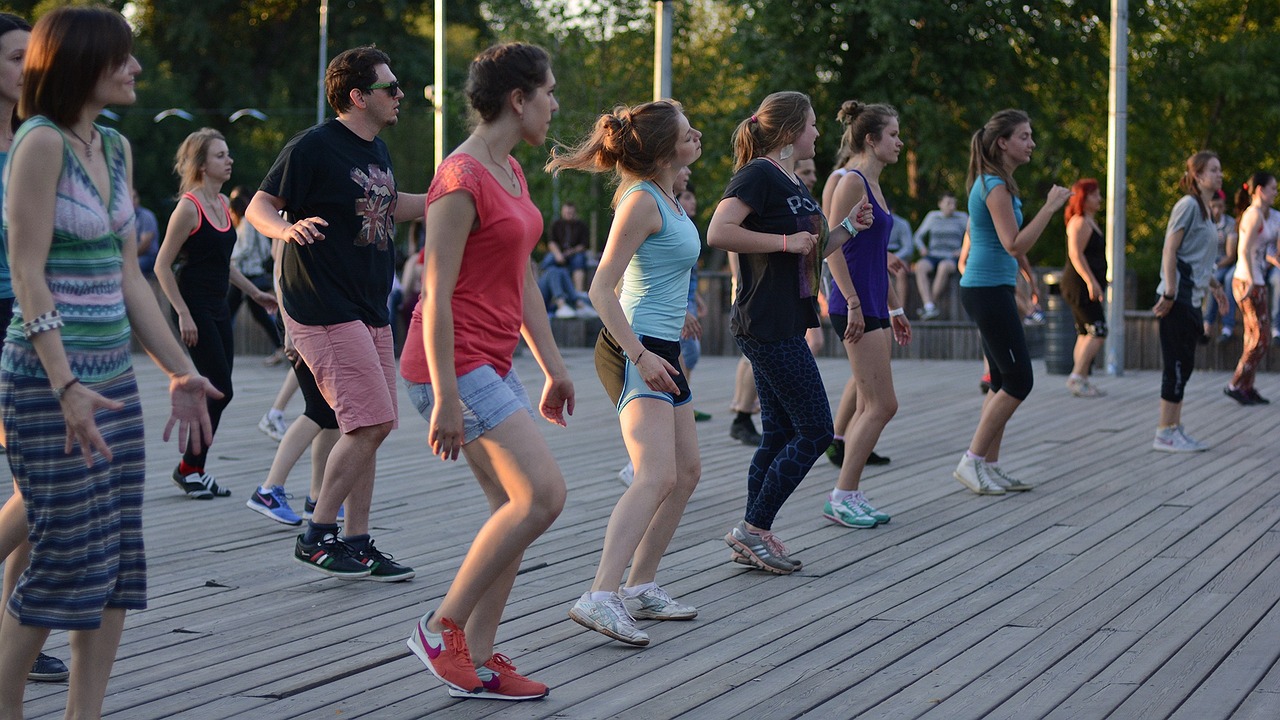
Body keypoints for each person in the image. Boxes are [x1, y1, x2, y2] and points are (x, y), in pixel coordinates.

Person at [0, 8, 220, 717]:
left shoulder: (117, 149)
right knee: (63, 560)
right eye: (121, 58)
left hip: (113, 382)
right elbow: (27, 273)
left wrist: (177, 369)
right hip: (45, 382)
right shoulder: (38, 144)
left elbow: (130, 277)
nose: (135, 69)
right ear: (80, 63)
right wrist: (64, 383)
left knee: (117, 565)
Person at [402, 42, 569, 701]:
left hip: (491, 362)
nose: (555, 105)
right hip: (448, 364)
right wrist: (444, 396)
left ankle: (477, 653)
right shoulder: (461, 176)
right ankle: (442, 628)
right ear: (518, 98)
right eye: (549, 92)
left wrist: (554, 367)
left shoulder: (509, 170)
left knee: (513, 507)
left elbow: (522, 276)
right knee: (543, 496)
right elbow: (434, 292)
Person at [246, 45, 420, 581]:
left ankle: (358, 540)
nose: (400, 96)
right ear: (357, 96)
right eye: (390, 88)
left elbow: (394, 208)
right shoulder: (315, 146)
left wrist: (461, 193)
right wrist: (286, 228)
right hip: (323, 305)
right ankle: (318, 534)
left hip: (370, 306)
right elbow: (259, 206)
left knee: (372, 424)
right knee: (370, 421)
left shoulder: (379, 152)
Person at [549, 100, 703, 647]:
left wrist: (675, 310)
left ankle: (641, 586)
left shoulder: (667, 197)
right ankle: (600, 594)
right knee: (655, 475)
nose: (698, 136)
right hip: (632, 350)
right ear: (665, 149)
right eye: (688, 132)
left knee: (686, 474)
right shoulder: (640, 200)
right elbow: (599, 288)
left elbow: (654, 270)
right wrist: (640, 354)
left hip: (662, 345)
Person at [707, 90, 872, 574]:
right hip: (766, 322)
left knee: (778, 433)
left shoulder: (789, 180)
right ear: (789, 130)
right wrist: (783, 241)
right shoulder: (759, 173)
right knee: (817, 429)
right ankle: (753, 529)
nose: (819, 133)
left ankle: (754, 533)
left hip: (784, 319)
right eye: (813, 125)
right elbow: (718, 231)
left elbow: (811, 247)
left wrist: (847, 228)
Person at [0, 11, 68, 686]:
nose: (28, 68)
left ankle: (15, 628)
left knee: (34, 484)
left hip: (38, 319)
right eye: (15, 57)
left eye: (32, 56)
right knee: (37, 485)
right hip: (8, 315)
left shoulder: (44, 139)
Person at [154, 129, 277, 501]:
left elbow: (224, 264)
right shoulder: (188, 207)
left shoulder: (223, 203)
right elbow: (162, 266)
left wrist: (254, 292)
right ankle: (189, 468)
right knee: (219, 388)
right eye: (221, 155)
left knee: (220, 389)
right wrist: (183, 314)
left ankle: (194, 468)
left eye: (228, 154)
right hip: (195, 310)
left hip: (218, 305)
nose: (229, 160)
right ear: (202, 164)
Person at [952, 109, 1069, 494]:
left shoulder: (999, 183)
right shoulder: (993, 185)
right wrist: (1051, 208)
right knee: (1019, 380)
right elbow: (1013, 241)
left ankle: (988, 464)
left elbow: (1010, 246)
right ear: (1003, 142)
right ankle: (971, 462)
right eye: (1024, 136)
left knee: (1003, 379)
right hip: (985, 289)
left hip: (994, 286)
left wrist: (1025, 273)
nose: (1031, 143)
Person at [822, 101, 911, 529]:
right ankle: (842, 494)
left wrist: (894, 305)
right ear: (871, 139)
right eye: (893, 135)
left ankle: (849, 492)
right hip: (852, 306)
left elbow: (875, 255)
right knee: (881, 404)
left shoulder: (873, 182)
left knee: (870, 403)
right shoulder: (850, 182)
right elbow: (830, 248)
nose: (899, 142)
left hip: (874, 303)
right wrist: (855, 302)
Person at [1150, 151, 1227, 451]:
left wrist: (1215, 285)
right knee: (1177, 366)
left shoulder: (1205, 210)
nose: (1220, 175)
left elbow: (1197, 258)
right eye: (1214, 170)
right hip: (1177, 299)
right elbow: (1171, 249)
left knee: (1186, 365)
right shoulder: (1187, 206)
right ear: (1197, 175)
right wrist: (1169, 290)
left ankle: (1174, 427)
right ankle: (1164, 433)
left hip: (1192, 298)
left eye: (1220, 170)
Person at [1225, 172, 1276, 405]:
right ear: (1259, 191)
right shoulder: (1253, 214)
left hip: (1257, 279)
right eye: (1272, 188)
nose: (1275, 192)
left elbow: (1269, 252)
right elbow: (1243, 251)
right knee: (1261, 336)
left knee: (1253, 336)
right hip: (1248, 281)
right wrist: (1250, 281)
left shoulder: (1268, 216)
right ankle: (1235, 383)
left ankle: (1247, 386)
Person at [227, 185, 286, 367]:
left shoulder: (246, 222)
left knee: (229, 311)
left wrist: (227, 256)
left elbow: (246, 248)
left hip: (249, 275)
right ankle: (280, 347)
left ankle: (281, 346)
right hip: (246, 275)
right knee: (253, 313)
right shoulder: (246, 223)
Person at [1061, 178, 1108, 397]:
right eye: (1095, 194)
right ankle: (1077, 376)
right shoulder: (1079, 221)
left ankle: (1081, 378)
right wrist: (1091, 282)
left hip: (1086, 283)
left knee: (1084, 332)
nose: (1099, 198)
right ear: (1084, 197)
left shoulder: (1089, 221)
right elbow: (1075, 254)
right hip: (1079, 284)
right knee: (1098, 331)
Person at [913, 192, 968, 320]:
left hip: (952, 256)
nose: (952, 206)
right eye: (948, 203)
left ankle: (930, 306)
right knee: (920, 266)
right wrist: (922, 248)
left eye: (954, 203)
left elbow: (974, 236)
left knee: (943, 267)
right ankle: (929, 305)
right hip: (933, 254)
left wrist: (962, 250)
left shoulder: (962, 217)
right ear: (940, 204)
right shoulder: (932, 217)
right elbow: (917, 237)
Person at [1203, 191, 1237, 340]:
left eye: (1220, 206)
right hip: (1208, 263)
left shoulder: (1230, 224)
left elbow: (1230, 256)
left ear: (1224, 207)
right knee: (1213, 282)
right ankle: (1207, 323)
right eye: (1213, 206)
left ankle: (1228, 326)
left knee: (1227, 280)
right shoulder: (1204, 223)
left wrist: (1214, 266)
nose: (1216, 210)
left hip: (1225, 263)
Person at [547, 201, 591, 293]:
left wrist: (572, 251)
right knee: (548, 261)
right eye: (566, 212)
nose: (568, 215)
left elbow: (584, 245)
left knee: (579, 261)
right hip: (559, 253)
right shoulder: (556, 224)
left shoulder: (581, 226)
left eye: (570, 213)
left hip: (575, 253)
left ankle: (579, 293)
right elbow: (551, 242)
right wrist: (558, 254)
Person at [133, 188, 159, 278]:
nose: (133, 200)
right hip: (134, 257)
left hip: (149, 257)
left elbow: (145, 245)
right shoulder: (125, 218)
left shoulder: (146, 216)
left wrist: (128, 257)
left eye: (135, 197)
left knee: (131, 268)